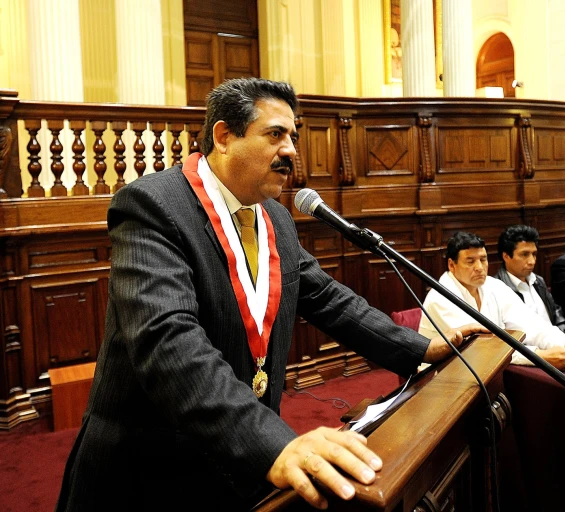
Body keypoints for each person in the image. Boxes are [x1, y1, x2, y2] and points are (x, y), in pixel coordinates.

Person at [56, 78, 481, 511]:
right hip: (149, 475)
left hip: (235, 470)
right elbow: (167, 341)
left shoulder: (275, 218)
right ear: (224, 137)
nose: (292, 150)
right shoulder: (153, 206)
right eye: (275, 134)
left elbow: (330, 301)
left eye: (292, 136)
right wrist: (272, 444)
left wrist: (421, 347)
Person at [418, 232, 565, 371]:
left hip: (490, 368)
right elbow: (478, 350)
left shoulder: (493, 285)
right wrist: (539, 356)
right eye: (470, 261)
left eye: (483, 259)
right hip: (443, 377)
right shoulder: (440, 297)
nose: (480, 267)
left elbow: (530, 323)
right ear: (451, 265)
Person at [494, 224, 565, 334]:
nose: (532, 261)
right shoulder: (497, 290)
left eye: (534, 254)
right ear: (506, 256)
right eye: (524, 254)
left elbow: (556, 314)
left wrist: (564, 339)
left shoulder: (538, 281)